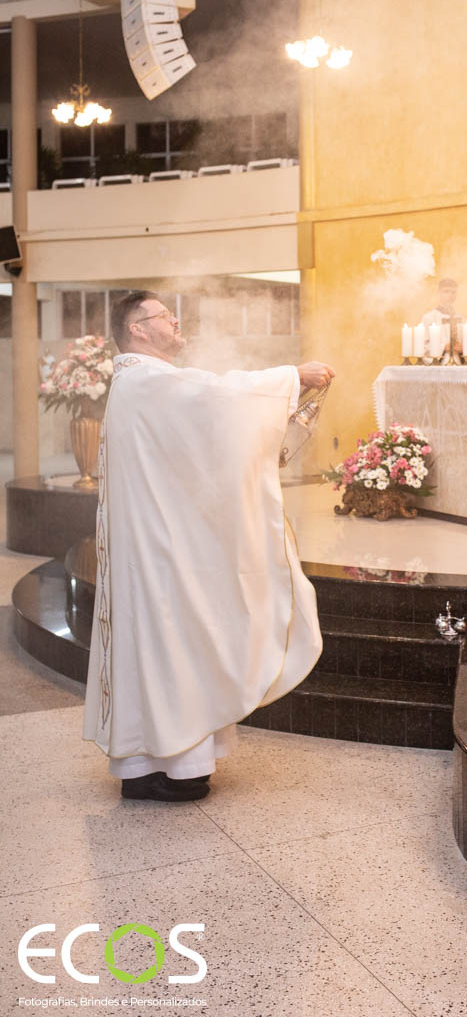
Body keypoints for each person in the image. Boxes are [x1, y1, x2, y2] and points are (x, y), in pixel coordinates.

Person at [82, 291, 334, 802]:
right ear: (136, 329)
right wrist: (292, 377)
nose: (175, 321)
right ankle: (182, 769)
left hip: (154, 543)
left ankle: (142, 766)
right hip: (161, 550)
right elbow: (220, 397)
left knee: (157, 644)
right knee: (179, 640)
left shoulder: (138, 382)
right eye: (162, 315)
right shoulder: (148, 380)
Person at [420, 277, 463, 359]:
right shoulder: (429, 317)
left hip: (459, 362)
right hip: (439, 363)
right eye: (446, 291)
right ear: (438, 293)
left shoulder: (461, 318)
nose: (450, 295)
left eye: (453, 292)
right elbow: (423, 346)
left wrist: (463, 348)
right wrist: (443, 347)